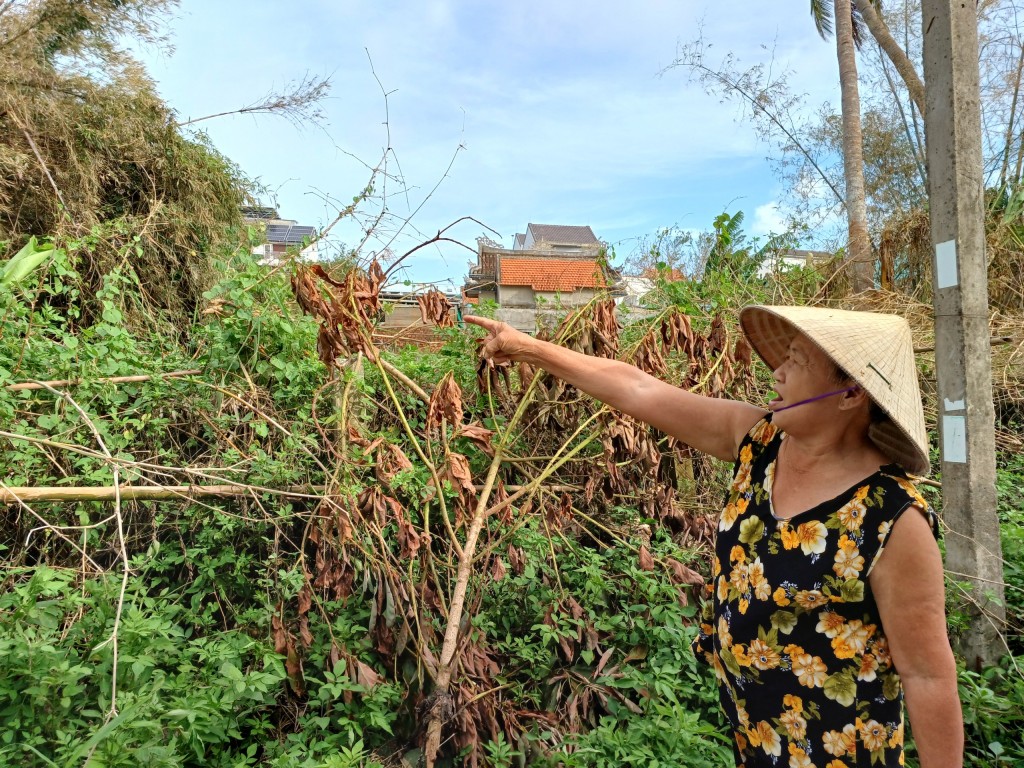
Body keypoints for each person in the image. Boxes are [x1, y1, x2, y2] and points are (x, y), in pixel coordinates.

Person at [465, 305, 962, 768]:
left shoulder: (893, 520)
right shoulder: (760, 443)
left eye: (796, 362)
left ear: (850, 394)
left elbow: (928, 676)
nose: (778, 374)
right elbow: (639, 390)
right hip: (753, 741)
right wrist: (528, 347)